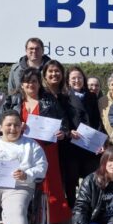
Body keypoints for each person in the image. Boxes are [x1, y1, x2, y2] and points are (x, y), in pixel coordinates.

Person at [2, 68, 71, 224]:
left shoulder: (50, 100)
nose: (30, 84)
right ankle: (25, 216)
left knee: (49, 181)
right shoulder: (13, 100)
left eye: (34, 81)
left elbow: (63, 121)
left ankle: (53, 217)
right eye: (27, 81)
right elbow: (3, 118)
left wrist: (63, 132)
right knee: (22, 178)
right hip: (21, 148)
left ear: (39, 83)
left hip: (46, 147)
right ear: (21, 84)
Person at [41, 61, 89, 209]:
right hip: (46, 142)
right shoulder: (40, 93)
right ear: (44, 74)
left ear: (62, 75)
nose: (54, 74)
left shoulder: (65, 94)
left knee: (65, 177)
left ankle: (66, 209)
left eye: (57, 71)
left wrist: (67, 133)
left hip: (65, 142)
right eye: (51, 71)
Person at [68, 66, 103, 132]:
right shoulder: (64, 97)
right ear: (68, 81)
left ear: (84, 79)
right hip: (74, 137)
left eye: (79, 78)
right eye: (73, 78)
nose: (77, 80)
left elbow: (98, 119)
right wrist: (69, 132)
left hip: (92, 136)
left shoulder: (92, 96)